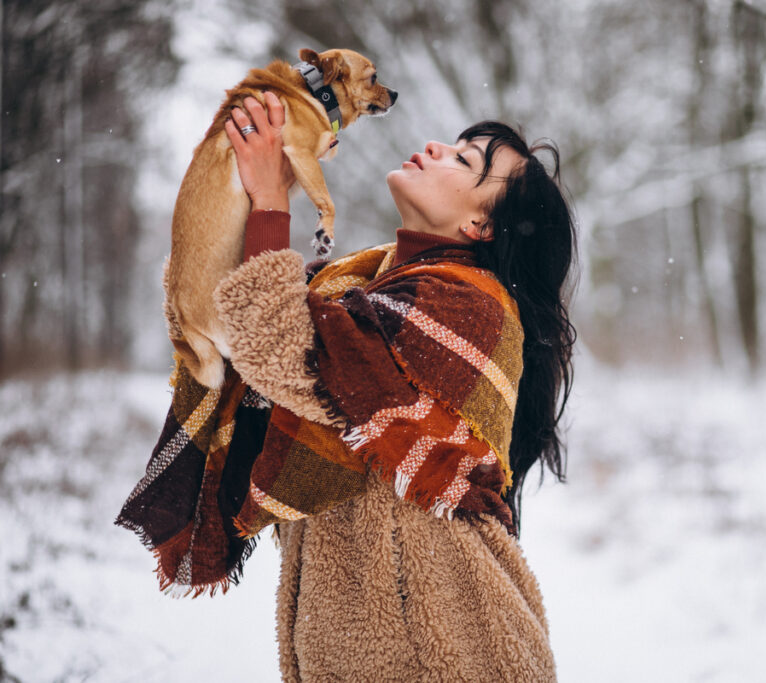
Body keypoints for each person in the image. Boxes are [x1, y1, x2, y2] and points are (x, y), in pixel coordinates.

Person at [173, 92, 574, 679]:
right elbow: (234, 319)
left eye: (464, 160)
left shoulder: (470, 309)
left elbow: (287, 352)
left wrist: (271, 202)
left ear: (480, 225)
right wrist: (245, 189)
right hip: (355, 635)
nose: (437, 147)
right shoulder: (365, 291)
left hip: (444, 645)